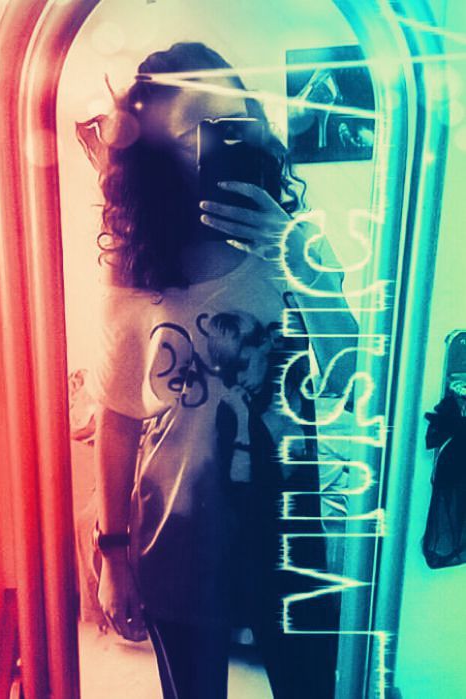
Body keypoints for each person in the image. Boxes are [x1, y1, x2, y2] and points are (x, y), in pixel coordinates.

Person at [88, 41, 358, 699]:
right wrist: (113, 555)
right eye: (194, 134)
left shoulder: (296, 247)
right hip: (175, 547)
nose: (219, 146)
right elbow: (118, 421)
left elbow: (352, 379)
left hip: (288, 544)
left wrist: (303, 257)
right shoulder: (133, 269)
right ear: (158, 154)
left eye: (233, 123)